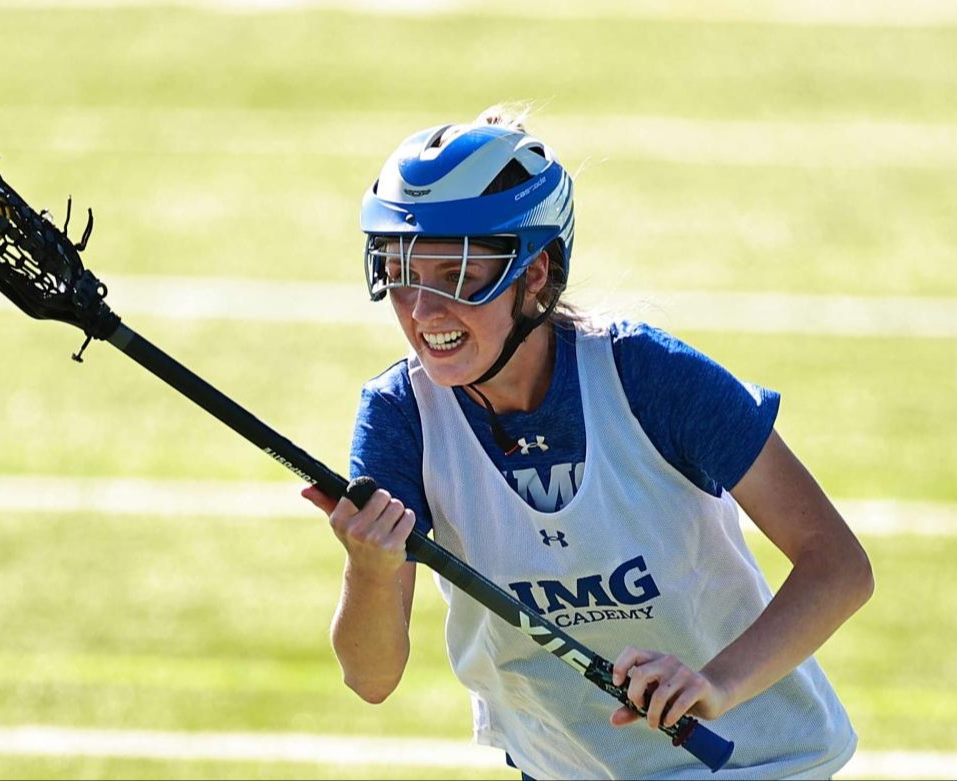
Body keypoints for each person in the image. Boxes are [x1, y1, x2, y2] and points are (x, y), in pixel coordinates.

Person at [300, 105, 874, 780]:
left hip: (758, 763)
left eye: (456, 274)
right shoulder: (400, 415)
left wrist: (715, 683)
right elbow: (371, 678)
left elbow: (838, 566)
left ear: (535, 272)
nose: (424, 312)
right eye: (400, 271)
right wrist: (366, 570)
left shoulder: (648, 376)